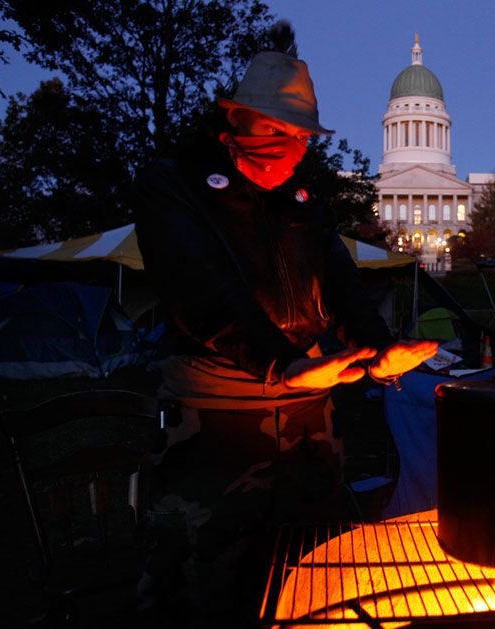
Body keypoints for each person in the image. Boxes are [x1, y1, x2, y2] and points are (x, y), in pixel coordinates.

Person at [130, 23, 436, 626]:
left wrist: (378, 349)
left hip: (306, 422)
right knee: (203, 584)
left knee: (314, 567)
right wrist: (282, 363)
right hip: (214, 420)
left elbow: (341, 283)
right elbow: (201, 290)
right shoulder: (177, 185)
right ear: (236, 119)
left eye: (299, 136)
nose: (288, 148)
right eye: (273, 129)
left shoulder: (301, 202)